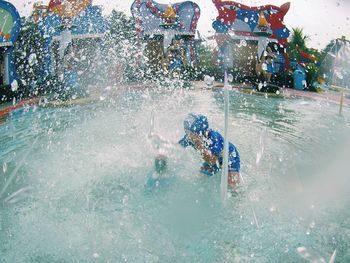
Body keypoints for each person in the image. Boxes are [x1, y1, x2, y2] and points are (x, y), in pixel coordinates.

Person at [179, 113, 240, 188]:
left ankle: (236, 195)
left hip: (229, 156)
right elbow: (177, 148)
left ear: (198, 132)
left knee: (232, 187)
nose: (187, 134)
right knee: (201, 181)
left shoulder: (214, 137)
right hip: (212, 157)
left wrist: (198, 143)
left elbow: (211, 160)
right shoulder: (190, 138)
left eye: (188, 131)